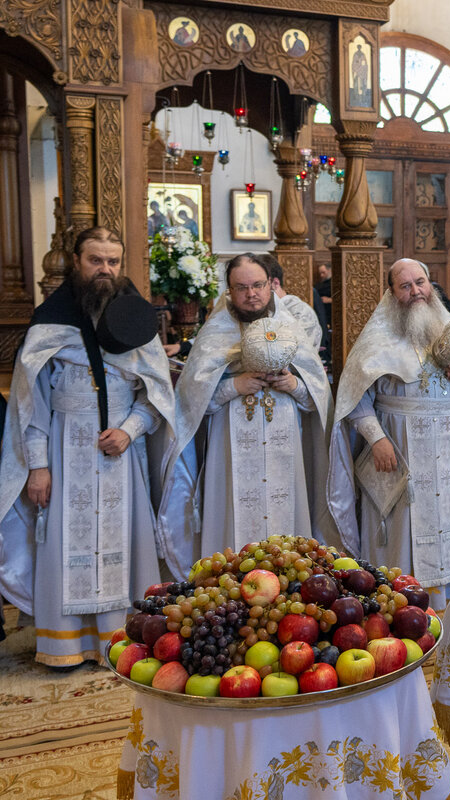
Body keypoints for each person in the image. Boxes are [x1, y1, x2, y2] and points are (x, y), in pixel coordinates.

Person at [0, 228, 174, 666]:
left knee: (126, 545)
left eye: (113, 261)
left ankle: (119, 641)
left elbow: (156, 396)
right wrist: (37, 467)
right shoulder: (49, 323)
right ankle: (66, 645)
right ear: (76, 262)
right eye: (96, 260)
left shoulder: (134, 322)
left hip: (120, 457)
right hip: (64, 451)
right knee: (63, 544)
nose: (105, 270)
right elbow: (29, 404)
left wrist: (131, 430)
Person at [326, 259, 450, 608]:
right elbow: (353, 397)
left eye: (420, 282)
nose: (415, 292)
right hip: (399, 451)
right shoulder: (378, 339)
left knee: (449, 517)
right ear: (392, 293)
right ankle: (399, 604)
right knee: (402, 521)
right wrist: (376, 438)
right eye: (405, 286)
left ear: (430, 284)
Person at [158, 254, 331, 578]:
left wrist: (294, 384)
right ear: (229, 291)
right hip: (230, 449)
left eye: (258, 285)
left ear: (270, 285)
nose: (251, 294)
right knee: (232, 534)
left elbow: (317, 404)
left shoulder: (292, 328)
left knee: (289, 544)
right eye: (242, 287)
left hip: (286, 449)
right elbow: (192, 407)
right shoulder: (216, 333)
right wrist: (233, 386)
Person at [263, 253, 323, 350]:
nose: (251, 293)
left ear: (275, 283)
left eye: (258, 285)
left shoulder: (299, 312)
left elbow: (301, 351)